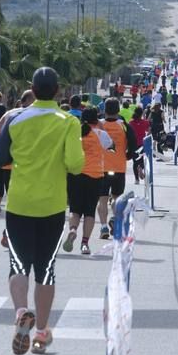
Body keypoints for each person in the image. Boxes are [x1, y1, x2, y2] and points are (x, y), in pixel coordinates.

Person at [0, 67, 84, 355]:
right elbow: (76, 164)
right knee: (47, 270)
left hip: (19, 204)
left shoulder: (16, 119)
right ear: (58, 91)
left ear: (32, 88)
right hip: (53, 206)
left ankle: (20, 312)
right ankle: (41, 333)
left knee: (18, 265)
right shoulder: (68, 121)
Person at [63, 108, 113, 255]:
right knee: (89, 212)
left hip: (75, 175)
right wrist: (101, 127)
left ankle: (73, 230)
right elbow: (111, 147)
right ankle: (85, 244)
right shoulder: (101, 134)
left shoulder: (75, 132)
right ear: (96, 120)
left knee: (75, 209)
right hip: (95, 176)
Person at [97, 98, 137, 239]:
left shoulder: (99, 125)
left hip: (100, 167)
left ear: (104, 110)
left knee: (102, 199)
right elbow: (133, 143)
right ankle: (114, 218)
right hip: (119, 166)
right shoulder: (124, 126)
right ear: (118, 110)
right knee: (116, 197)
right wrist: (128, 156)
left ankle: (103, 227)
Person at [128, 106, 150, 184]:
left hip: (133, 145)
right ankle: (140, 167)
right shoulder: (145, 122)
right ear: (141, 113)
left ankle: (136, 180)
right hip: (142, 144)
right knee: (143, 160)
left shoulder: (131, 122)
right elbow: (149, 131)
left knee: (135, 162)